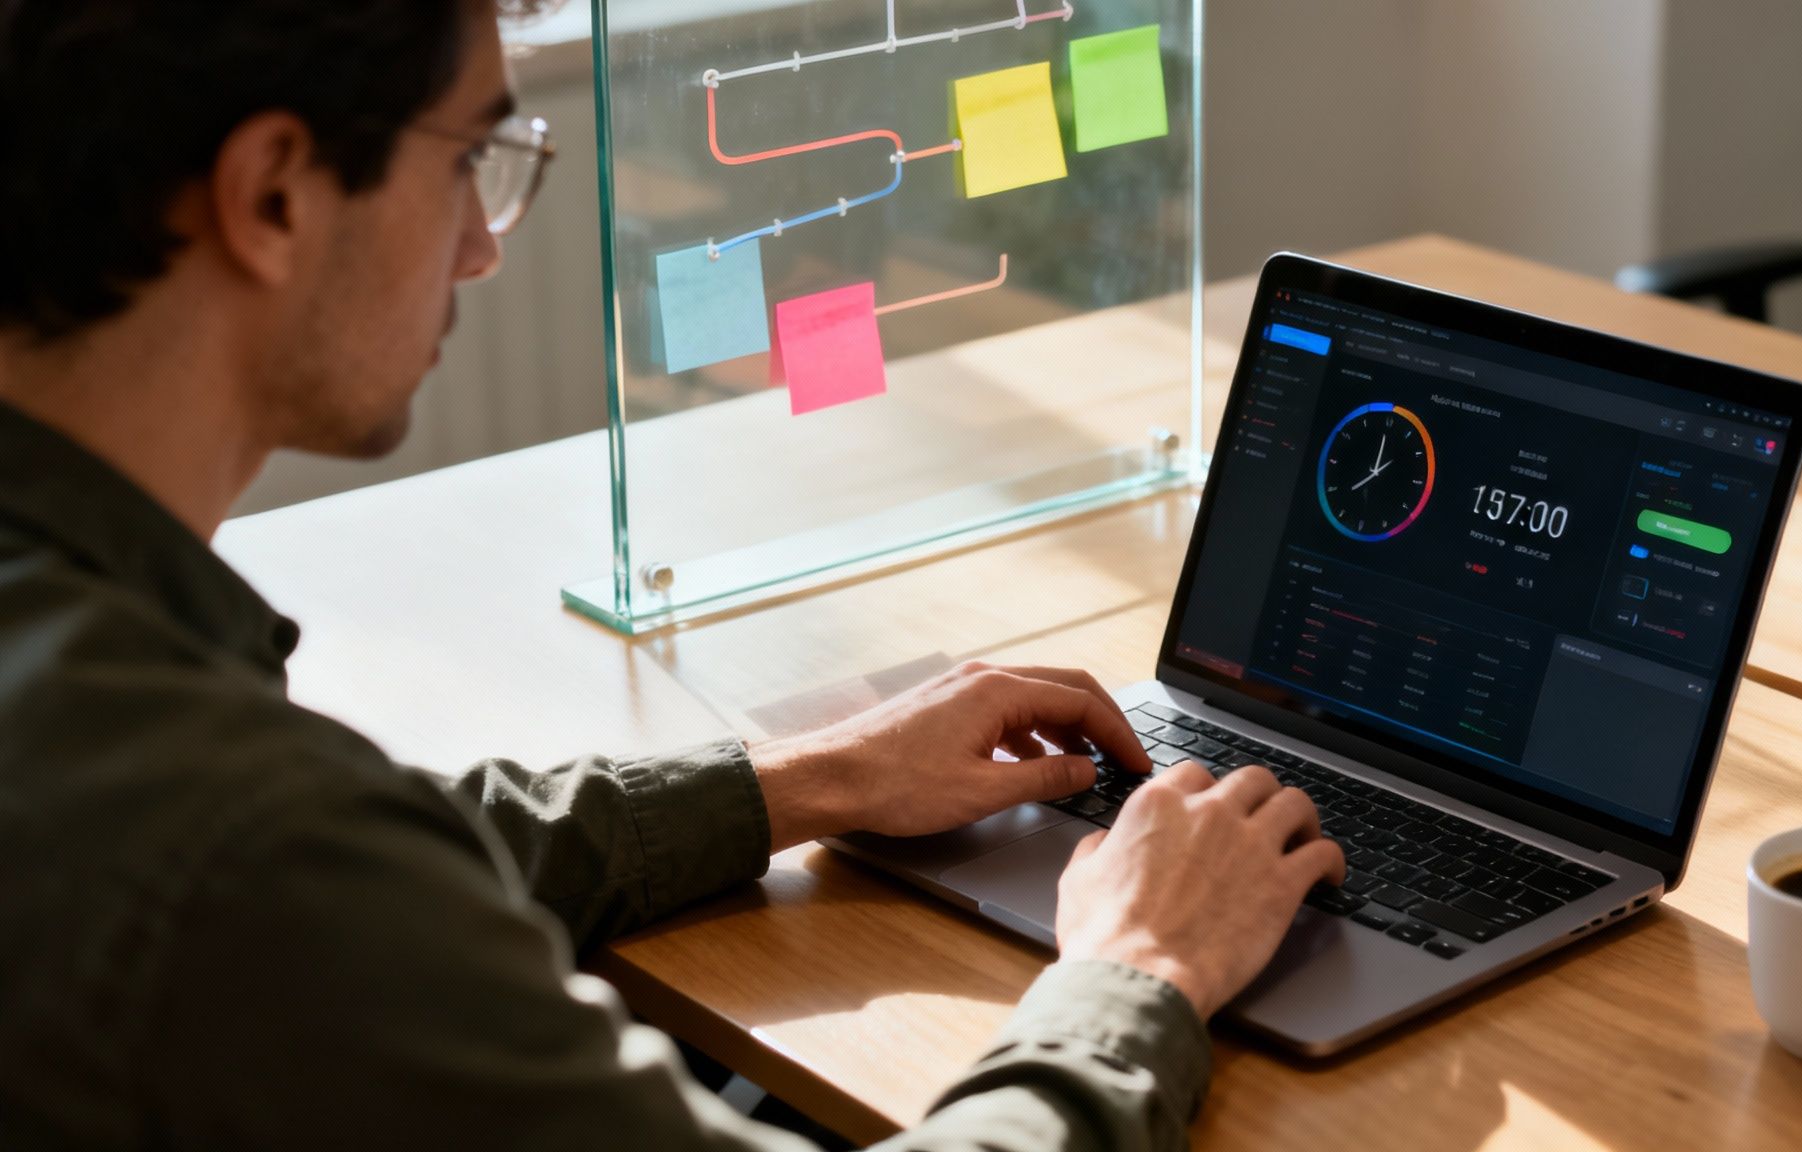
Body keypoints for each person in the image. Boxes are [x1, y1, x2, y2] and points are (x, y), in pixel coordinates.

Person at [0, 2, 1344, 1149]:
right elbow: (295, 886)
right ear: (274, 193)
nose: (482, 243)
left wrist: (809, 779)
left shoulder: (97, 693)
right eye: (470, 155)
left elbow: (363, 871)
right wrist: (1140, 970)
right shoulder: (229, 845)